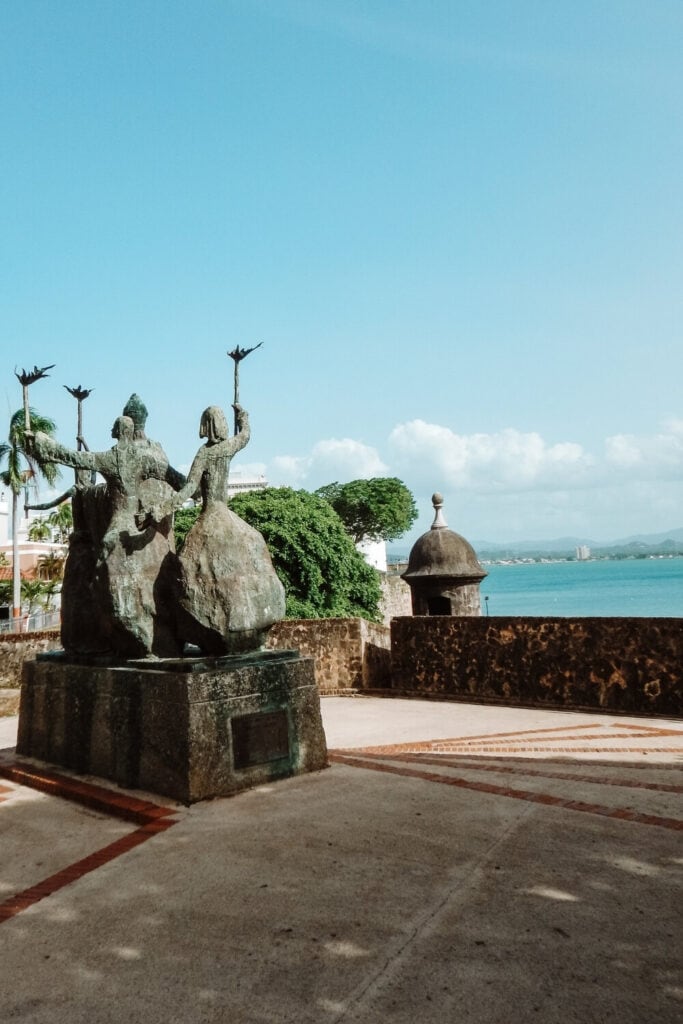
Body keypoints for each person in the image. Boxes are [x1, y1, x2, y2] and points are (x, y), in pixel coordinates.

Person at [29, 415, 184, 658]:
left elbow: (74, 457)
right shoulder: (144, 458)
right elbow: (180, 480)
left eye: (114, 426)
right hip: (140, 526)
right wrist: (167, 505)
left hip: (119, 525)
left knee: (102, 576)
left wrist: (44, 445)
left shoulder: (111, 458)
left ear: (118, 431)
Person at [139, 403, 285, 655]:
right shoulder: (226, 448)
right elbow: (245, 436)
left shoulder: (205, 454)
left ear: (205, 426)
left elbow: (188, 490)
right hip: (227, 516)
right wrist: (243, 416)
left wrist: (161, 510)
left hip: (210, 517)